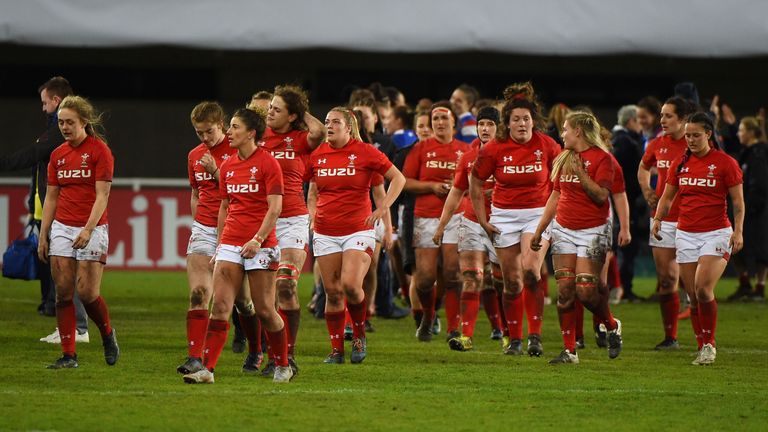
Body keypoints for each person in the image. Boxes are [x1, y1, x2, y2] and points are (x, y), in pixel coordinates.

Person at [183, 107, 291, 384]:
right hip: (231, 242)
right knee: (220, 305)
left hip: (262, 245)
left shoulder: (268, 164)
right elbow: (225, 207)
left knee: (264, 309)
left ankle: (282, 363)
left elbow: (275, 208)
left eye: (234, 127)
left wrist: (257, 239)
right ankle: (207, 369)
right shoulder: (228, 166)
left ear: (250, 133)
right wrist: (220, 245)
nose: (228, 132)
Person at [469, 83, 561, 356]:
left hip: (536, 215)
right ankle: (515, 339)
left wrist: (554, 214)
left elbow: (560, 182)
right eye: (516, 119)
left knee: (532, 272)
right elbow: (474, 182)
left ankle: (535, 337)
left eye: (526, 119)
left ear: (534, 121)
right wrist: (483, 220)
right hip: (504, 217)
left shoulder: (547, 145)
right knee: (511, 282)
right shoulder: (494, 149)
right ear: (507, 123)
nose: (522, 124)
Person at [307, 107, 405, 364]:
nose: (329, 125)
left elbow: (398, 179)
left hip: (358, 229)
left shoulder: (366, 152)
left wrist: (384, 210)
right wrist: (312, 213)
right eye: (327, 121)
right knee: (333, 292)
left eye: (335, 122)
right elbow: (313, 192)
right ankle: (337, 349)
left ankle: (359, 334)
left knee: (351, 285)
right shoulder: (318, 155)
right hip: (326, 231)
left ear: (349, 127)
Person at [178, 101, 265, 376]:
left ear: (222, 125)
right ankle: (194, 357)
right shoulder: (194, 155)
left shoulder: (237, 150)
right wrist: (198, 222)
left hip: (236, 230)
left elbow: (242, 192)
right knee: (199, 293)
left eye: (209, 131)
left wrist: (216, 170)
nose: (204, 138)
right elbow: (195, 193)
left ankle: (255, 349)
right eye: (198, 133)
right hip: (204, 229)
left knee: (242, 303)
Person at [0, 76, 90, 343]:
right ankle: (71, 324)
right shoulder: (56, 134)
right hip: (51, 207)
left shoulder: (61, 137)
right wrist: (32, 205)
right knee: (59, 269)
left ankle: (78, 327)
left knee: (67, 271)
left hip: (67, 210)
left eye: (45, 102)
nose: (43, 108)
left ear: (57, 101)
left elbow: (31, 156)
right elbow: (39, 168)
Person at [652, 112, 744, 365]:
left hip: (716, 232)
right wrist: (658, 219)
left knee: (703, 288)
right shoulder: (680, 164)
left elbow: (737, 202)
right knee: (693, 295)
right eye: (688, 135)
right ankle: (701, 344)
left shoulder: (725, 163)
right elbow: (667, 197)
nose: (690, 140)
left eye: (696, 135)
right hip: (686, 234)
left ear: (708, 134)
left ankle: (710, 345)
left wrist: (738, 231)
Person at [531, 111, 622, 365]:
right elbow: (555, 196)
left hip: (593, 230)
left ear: (578, 132)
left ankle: (612, 325)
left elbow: (601, 196)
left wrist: (582, 174)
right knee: (564, 293)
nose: (562, 134)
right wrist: (540, 229)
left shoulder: (604, 159)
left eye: (565, 129)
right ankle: (570, 351)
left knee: (586, 292)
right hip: (563, 229)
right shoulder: (563, 158)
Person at [38, 95, 118, 369]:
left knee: (87, 293)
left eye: (70, 122)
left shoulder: (99, 151)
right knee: (62, 291)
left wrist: (88, 228)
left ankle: (107, 333)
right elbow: (50, 198)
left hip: (93, 227)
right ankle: (69, 354)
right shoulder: (58, 155)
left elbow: (102, 196)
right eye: (61, 122)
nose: (65, 127)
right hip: (62, 226)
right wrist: (44, 234)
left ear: (84, 121)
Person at [258, 85, 325, 377]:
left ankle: (289, 355)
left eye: (276, 109)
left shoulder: (299, 139)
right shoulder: (257, 136)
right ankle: (271, 355)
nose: (270, 112)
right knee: (264, 297)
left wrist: (299, 107)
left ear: (292, 116)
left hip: (293, 220)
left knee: (286, 284)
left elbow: (319, 131)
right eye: (269, 107)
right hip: (262, 220)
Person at [433, 106, 504, 351]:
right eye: (481, 124)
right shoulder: (468, 157)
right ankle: (466, 336)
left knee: (503, 282)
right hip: (472, 221)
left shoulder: (509, 154)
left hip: (504, 223)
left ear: (499, 127)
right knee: (472, 276)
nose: (484, 129)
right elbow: (455, 193)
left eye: (490, 124)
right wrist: (442, 225)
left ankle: (510, 334)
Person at [403, 102, 472, 342]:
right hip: (425, 216)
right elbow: (405, 181)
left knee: (453, 274)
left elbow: (476, 184)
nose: (440, 123)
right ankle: (428, 316)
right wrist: (431, 186)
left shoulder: (466, 149)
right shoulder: (421, 149)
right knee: (424, 278)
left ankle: (454, 326)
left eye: (444, 118)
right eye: (435, 120)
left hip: (457, 216)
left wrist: (460, 186)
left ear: (454, 122)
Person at [638, 96, 696, 350]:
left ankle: (704, 337)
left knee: (695, 284)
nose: (662, 120)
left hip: (692, 221)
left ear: (683, 119)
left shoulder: (696, 144)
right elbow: (642, 168)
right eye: (661, 115)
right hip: (663, 220)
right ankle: (671, 337)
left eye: (668, 116)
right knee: (665, 279)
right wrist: (647, 191)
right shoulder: (655, 144)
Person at [729, 116, 768, 301]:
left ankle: (759, 288)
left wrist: (752, 206)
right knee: (735, 247)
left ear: (751, 132)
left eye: (742, 130)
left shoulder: (759, 153)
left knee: (761, 249)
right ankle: (745, 284)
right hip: (748, 208)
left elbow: (760, 183)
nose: (739, 133)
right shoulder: (747, 152)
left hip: (758, 211)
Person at [611, 105, 645, 302]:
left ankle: (621, 287)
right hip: (626, 201)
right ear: (631, 121)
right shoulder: (625, 143)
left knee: (620, 246)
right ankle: (624, 288)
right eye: (638, 120)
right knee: (625, 245)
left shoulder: (618, 140)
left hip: (623, 200)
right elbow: (621, 179)